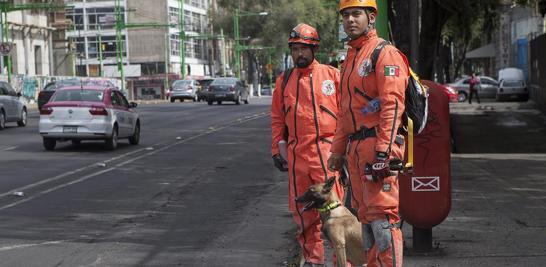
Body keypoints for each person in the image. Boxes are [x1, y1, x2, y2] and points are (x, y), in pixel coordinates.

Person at [327, 1, 410, 266]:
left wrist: (383, 152)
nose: (350, 20)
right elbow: (345, 111)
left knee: (383, 219)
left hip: (377, 146)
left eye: (356, 14)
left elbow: (393, 104)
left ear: (371, 17)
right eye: (346, 15)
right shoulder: (352, 57)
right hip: (356, 149)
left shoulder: (383, 53)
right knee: (366, 219)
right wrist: (337, 151)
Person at [271, 23, 344, 267]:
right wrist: (276, 149)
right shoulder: (285, 81)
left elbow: (348, 113)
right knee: (303, 213)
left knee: (334, 211)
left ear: (314, 49)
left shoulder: (332, 76)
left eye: (304, 49)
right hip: (297, 154)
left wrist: (344, 149)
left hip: (327, 152)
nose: (299, 54)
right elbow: (277, 119)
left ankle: (341, 260)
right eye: (295, 49)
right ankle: (314, 260)